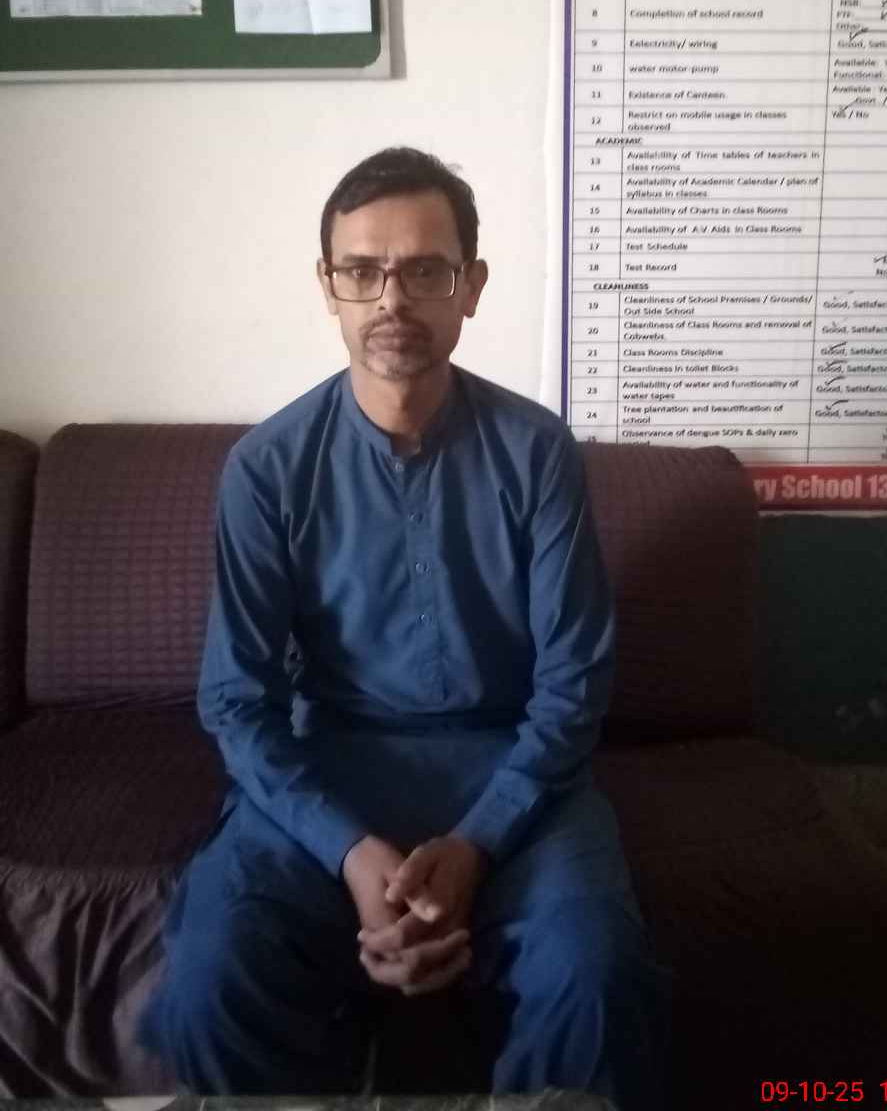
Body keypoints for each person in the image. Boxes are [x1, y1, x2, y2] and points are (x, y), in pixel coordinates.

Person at [139, 147, 668, 1107]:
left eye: (426, 270)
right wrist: (350, 852)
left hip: (516, 770)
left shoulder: (538, 452)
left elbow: (574, 684)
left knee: (593, 973)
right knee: (213, 975)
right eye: (363, 270)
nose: (392, 299)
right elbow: (238, 701)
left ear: (472, 286)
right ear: (328, 287)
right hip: (326, 773)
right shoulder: (267, 467)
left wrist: (477, 845)